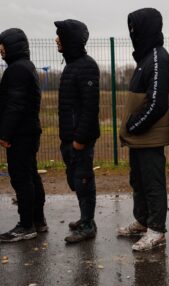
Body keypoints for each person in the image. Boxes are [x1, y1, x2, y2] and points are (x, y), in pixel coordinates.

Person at [118, 8, 169, 252]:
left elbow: (156, 103)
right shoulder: (145, 58)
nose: (132, 33)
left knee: (152, 183)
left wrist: (134, 125)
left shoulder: (157, 59)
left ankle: (156, 230)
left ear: (146, 29)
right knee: (138, 181)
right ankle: (142, 221)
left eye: (135, 28)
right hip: (138, 138)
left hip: (149, 137)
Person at [54, 19, 100, 243]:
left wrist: (80, 140)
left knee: (83, 180)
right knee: (75, 181)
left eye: (59, 36)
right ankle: (85, 218)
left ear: (69, 39)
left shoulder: (87, 66)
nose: (56, 40)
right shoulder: (71, 66)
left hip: (80, 139)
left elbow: (90, 108)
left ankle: (88, 224)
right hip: (69, 138)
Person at [0, 28, 46, 242]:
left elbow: (14, 105)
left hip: (20, 134)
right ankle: (38, 221)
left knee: (22, 179)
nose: (0, 50)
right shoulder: (26, 67)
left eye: (3, 45)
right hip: (28, 132)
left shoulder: (16, 70)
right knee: (31, 176)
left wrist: (4, 134)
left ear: (12, 46)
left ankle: (26, 225)